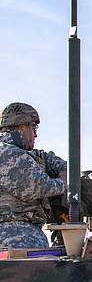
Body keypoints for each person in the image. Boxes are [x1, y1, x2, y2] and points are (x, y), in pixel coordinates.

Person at [0, 102, 67, 248]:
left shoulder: (28, 155)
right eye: (33, 126)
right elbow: (39, 187)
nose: (36, 133)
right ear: (21, 127)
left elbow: (55, 162)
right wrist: (64, 183)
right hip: (14, 237)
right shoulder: (7, 153)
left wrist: (65, 170)